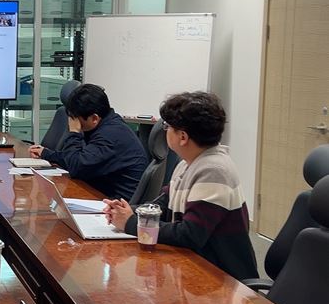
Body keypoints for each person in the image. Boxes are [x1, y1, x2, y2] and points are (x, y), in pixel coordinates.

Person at [104, 91, 257, 281]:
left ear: (182, 137)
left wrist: (130, 223)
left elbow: (190, 234)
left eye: (168, 126)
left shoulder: (214, 170)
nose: (165, 130)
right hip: (194, 267)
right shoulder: (187, 163)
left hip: (220, 278)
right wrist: (127, 211)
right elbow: (162, 204)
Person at [28, 84, 148, 199]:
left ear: (94, 118)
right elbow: (79, 157)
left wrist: (74, 132)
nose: (73, 123)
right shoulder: (107, 124)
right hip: (101, 193)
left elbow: (76, 167)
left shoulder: (110, 135)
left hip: (115, 204)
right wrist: (46, 153)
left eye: (76, 119)